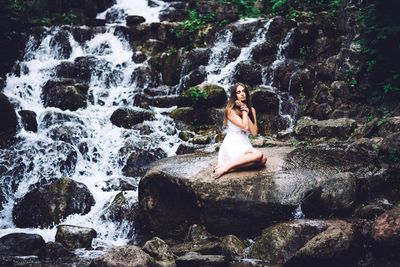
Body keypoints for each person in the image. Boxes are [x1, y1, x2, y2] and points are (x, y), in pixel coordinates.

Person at [213, 82, 267, 179]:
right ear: (234, 96)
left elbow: (254, 133)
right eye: (238, 92)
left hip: (244, 143)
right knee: (258, 155)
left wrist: (247, 110)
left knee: (263, 160)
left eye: (243, 91)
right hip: (232, 144)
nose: (242, 94)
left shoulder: (252, 110)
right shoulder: (230, 110)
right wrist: (244, 111)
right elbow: (245, 127)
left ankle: (232, 167)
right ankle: (226, 167)